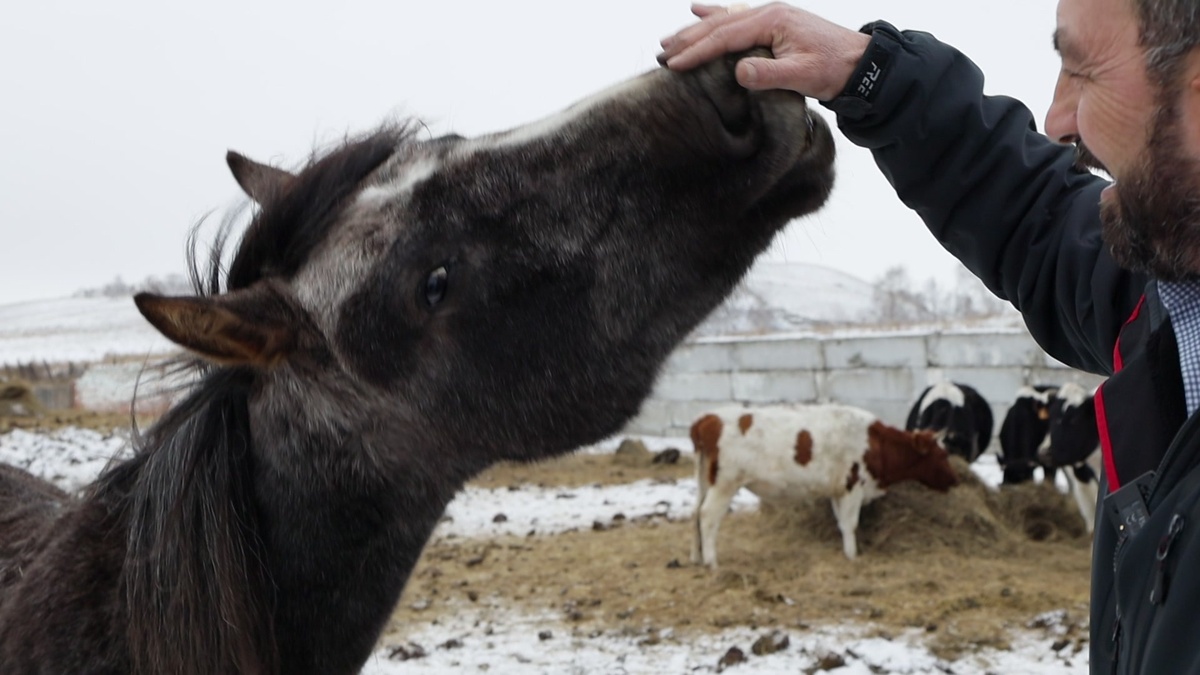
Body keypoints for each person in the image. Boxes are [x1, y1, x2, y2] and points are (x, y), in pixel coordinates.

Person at [660, 2, 1200, 673]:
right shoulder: (1168, 300)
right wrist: (874, 77)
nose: (1058, 120)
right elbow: (1043, 222)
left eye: (1083, 73)